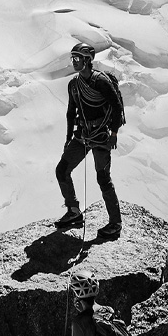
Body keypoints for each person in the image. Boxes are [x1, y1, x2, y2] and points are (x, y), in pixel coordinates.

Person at [55, 42, 124, 241]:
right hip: (83, 135)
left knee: (103, 178)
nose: (74, 62)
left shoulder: (100, 81)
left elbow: (116, 107)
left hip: (101, 136)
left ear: (87, 60)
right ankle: (74, 211)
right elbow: (71, 113)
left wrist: (114, 133)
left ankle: (115, 223)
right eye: (73, 58)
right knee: (62, 170)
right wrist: (69, 138)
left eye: (77, 58)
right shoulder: (74, 85)